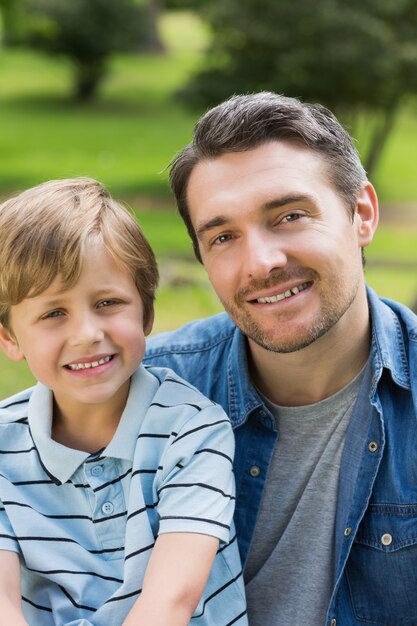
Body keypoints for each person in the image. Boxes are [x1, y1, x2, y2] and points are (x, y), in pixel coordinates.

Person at [144, 92, 417, 626]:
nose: (262, 263)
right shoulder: (145, 393)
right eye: (223, 236)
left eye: (289, 215)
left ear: (361, 214)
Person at [0, 178, 247, 626]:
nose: (87, 334)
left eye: (108, 302)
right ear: (10, 337)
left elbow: (171, 602)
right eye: (54, 313)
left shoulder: (191, 431)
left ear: (146, 313)